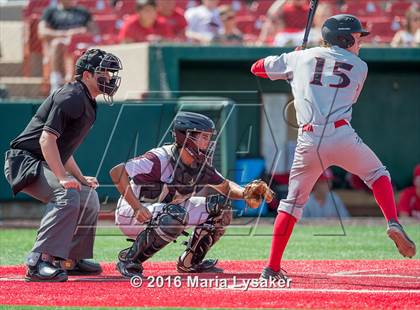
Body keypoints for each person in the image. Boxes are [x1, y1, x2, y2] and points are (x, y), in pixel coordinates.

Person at [251, 14, 416, 281]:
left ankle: (271, 267)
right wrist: (300, 62)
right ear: (344, 38)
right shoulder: (360, 66)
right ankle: (392, 222)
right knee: (378, 175)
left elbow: (256, 68)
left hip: (308, 139)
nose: (359, 42)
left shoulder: (300, 58)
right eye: (357, 37)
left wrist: (293, 59)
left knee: (291, 205)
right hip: (341, 135)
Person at [3, 49, 123, 282]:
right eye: (104, 72)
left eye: (110, 72)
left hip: (42, 160)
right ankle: (39, 261)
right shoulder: (72, 97)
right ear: (87, 75)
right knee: (66, 194)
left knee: (88, 196)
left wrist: (79, 177)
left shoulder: (86, 100)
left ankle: (70, 259)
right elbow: (46, 140)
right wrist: (62, 178)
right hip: (24, 162)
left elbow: (63, 149)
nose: (109, 77)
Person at [109, 111, 273, 277]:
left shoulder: (199, 164)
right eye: (203, 137)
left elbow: (225, 187)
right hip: (132, 213)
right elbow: (117, 172)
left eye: (208, 137)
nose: (208, 142)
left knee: (221, 208)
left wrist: (246, 193)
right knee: (175, 215)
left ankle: (190, 262)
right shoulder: (159, 158)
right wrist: (136, 207)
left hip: (166, 211)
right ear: (186, 137)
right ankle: (130, 261)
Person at [38, 0, 98, 92]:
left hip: (79, 45)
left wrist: (80, 32)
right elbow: (42, 32)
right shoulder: (50, 11)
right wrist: (65, 34)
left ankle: (82, 85)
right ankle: (56, 84)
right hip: (60, 45)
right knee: (57, 43)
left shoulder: (83, 11)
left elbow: (94, 31)